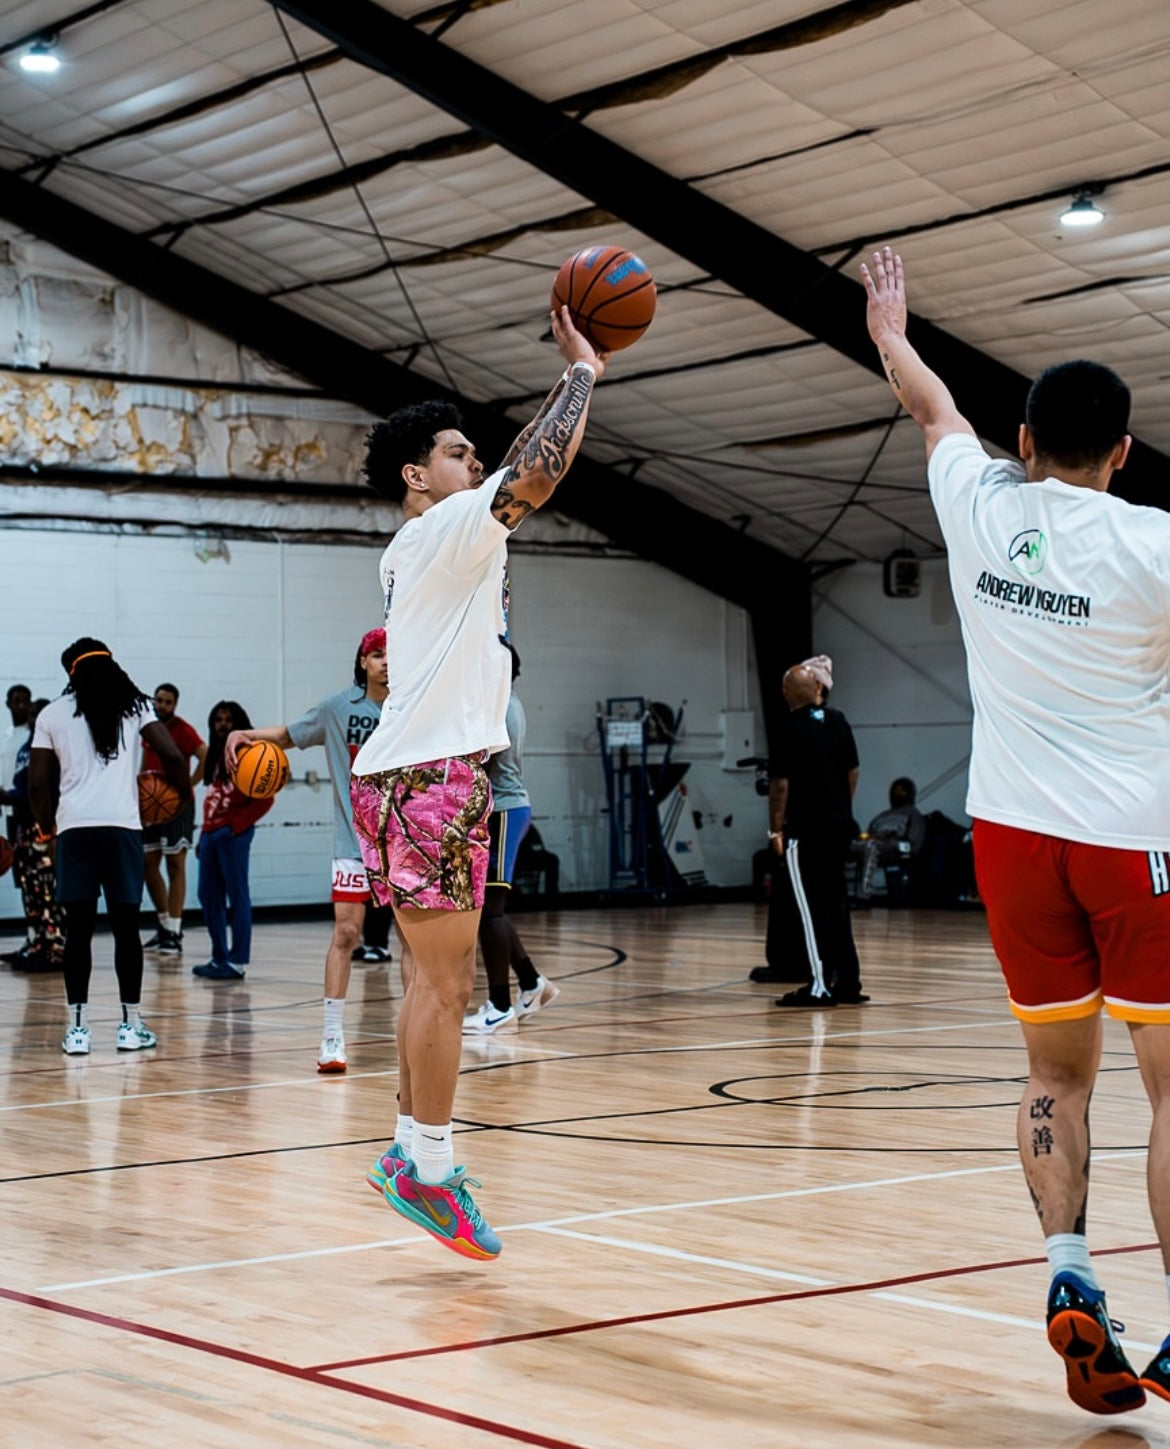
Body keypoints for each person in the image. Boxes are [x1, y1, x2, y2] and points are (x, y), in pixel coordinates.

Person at [862, 244, 1170, 1414]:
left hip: (1008, 836)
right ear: (1124, 453)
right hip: (1133, 835)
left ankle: (1068, 1274)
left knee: (1056, 1072)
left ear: (1026, 443)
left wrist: (893, 335)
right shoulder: (1154, 545)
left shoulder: (979, 502)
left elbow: (935, 407)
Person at [354, 304, 606, 1260]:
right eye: (460, 452)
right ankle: (426, 1167)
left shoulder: (438, 542)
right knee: (447, 984)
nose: (478, 462)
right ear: (419, 475)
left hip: (412, 774)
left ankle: (409, 1152)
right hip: (431, 777)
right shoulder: (445, 528)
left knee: (432, 980)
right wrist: (583, 371)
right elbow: (539, 470)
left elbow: (523, 468)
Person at [226, 628, 391, 1071]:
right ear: (362, 662)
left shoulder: (411, 708)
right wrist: (245, 734)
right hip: (352, 840)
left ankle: (416, 1034)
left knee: (413, 943)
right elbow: (287, 734)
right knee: (346, 934)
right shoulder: (338, 708)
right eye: (377, 655)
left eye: (392, 654)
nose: (385, 662)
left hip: (404, 842)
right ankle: (332, 1037)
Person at [28, 638, 191, 1055]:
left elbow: (37, 783)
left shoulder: (52, 714)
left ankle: (78, 1031)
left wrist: (47, 829)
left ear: (71, 672)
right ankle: (128, 1026)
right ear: (111, 666)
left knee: (77, 932)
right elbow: (173, 754)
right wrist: (182, 798)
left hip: (74, 832)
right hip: (122, 831)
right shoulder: (136, 707)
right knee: (126, 931)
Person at [462, 642, 558, 1035]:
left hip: (503, 810)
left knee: (490, 911)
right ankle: (531, 982)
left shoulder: (498, 707)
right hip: (503, 809)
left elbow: (475, 758)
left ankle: (500, 1005)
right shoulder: (504, 700)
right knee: (491, 909)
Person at [767, 657, 867, 1008]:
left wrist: (774, 830)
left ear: (784, 692)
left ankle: (819, 985)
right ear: (818, 689)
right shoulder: (838, 721)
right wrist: (840, 807)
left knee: (809, 909)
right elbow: (853, 773)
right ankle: (849, 981)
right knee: (836, 903)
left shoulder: (789, 729)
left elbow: (780, 786)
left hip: (805, 830)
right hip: (839, 827)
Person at [193, 702, 274, 981]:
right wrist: (203, 834)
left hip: (233, 835)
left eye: (228, 719)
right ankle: (219, 957)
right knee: (207, 895)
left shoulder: (248, 753)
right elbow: (213, 798)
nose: (222, 724)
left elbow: (266, 797)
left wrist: (235, 827)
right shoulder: (216, 755)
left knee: (237, 895)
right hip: (211, 834)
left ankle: (238, 960)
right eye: (218, 719)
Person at [141, 682, 206, 957]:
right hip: (151, 806)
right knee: (147, 865)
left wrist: (188, 786)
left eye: (167, 701)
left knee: (175, 864)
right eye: (158, 700)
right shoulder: (148, 727)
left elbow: (205, 754)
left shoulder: (183, 729)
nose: (161, 705)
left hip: (178, 805)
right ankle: (165, 924)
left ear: (175, 705)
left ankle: (175, 931)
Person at [0, 698, 65, 971]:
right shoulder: (28, 747)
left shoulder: (53, 746)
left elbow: (40, 790)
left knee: (46, 889)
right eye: (31, 713)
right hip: (24, 827)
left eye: (39, 713)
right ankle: (37, 942)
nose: (33, 717)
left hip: (43, 826)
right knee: (30, 890)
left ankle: (55, 947)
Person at [850, 776, 926, 905]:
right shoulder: (882, 816)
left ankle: (863, 897)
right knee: (847, 845)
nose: (898, 793)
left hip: (895, 846)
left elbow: (914, 844)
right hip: (872, 842)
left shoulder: (913, 815)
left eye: (902, 790)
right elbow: (869, 833)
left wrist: (886, 840)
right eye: (896, 790)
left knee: (871, 846)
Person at [1, 683, 31, 845]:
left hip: (26, 805)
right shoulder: (7, 736)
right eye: (17, 701)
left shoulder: (31, 735)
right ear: (8, 704)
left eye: (26, 702)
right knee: (12, 854)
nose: (22, 706)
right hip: (9, 807)